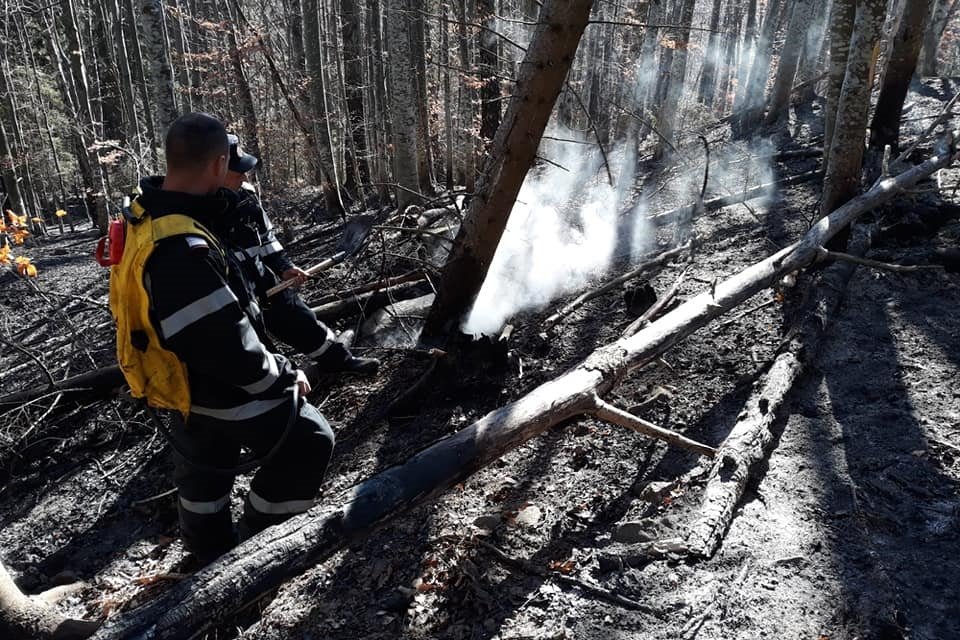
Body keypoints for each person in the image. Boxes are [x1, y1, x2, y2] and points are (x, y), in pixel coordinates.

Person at [125, 113, 335, 563]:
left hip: (179, 386)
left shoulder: (152, 215)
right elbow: (224, 347)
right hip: (216, 387)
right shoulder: (182, 248)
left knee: (203, 478)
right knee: (310, 440)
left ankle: (205, 557)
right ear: (220, 163)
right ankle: (257, 550)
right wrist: (283, 376)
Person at [221, 135, 379, 375]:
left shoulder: (246, 197)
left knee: (299, 317)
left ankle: (340, 360)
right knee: (254, 346)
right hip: (229, 295)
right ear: (215, 169)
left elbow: (266, 239)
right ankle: (284, 383)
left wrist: (284, 267)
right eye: (237, 171)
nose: (244, 177)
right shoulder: (193, 212)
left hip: (261, 278)